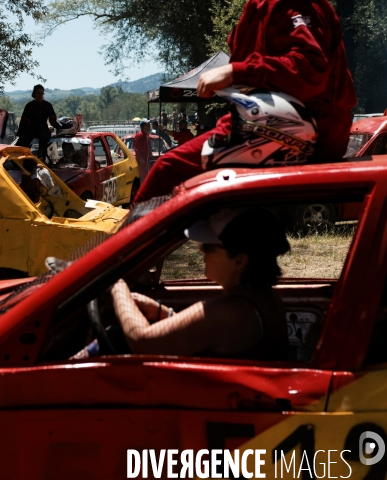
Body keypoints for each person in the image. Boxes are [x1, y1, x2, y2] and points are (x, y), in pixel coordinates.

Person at [133, 0, 357, 204]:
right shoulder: (257, 7)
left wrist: (234, 73)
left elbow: (309, 69)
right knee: (224, 213)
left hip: (302, 126)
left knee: (168, 171)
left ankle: (127, 248)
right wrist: (232, 84)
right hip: (274, 122)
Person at [110, 208, 290, 359]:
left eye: (210, 246)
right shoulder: (262, 298)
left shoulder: (231, 311)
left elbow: (143, 343)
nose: (201, 248)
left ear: (239, 261)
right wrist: (163, 314)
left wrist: (117, 284)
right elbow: (207, 334)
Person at [16, 85, 62, 160]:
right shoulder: (29, 106)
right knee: (22, 142)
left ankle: (40, 157)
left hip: (43, 128)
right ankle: (18, 160)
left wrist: (60, 128)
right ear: (34, 94)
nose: (40, 95)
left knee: (45, 136)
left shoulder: (48, 106)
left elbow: (52, 120)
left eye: (42, 93)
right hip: (31, 129)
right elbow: (24, 122)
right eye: (38, 93)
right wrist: (19, 134)